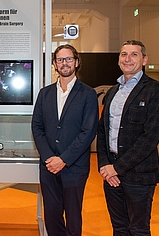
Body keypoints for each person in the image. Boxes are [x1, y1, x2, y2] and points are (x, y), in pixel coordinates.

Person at [97, 40, 159, 235]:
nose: (127, 59)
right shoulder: (112, 92)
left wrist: (117, 168)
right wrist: (105, 166)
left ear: (144, 60)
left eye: (134, 54)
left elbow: (150, 138)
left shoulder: (155, 90)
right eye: (123, 54)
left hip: (139, 175)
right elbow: (102, 130)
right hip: (111, 174)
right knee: (119, 228)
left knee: (138, 229)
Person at [31, 44, 99, 236]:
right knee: (52, 217)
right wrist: (49, 157)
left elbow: (88, 131)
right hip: (48, 167)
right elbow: (37, 127)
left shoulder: (88, 94)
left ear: (77, 62)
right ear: (54, 64)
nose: (65, 63)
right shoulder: (44, 94)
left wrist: (64, 159)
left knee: (73, 218)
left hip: (74, 167)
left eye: (69, 59)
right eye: (60, 59)